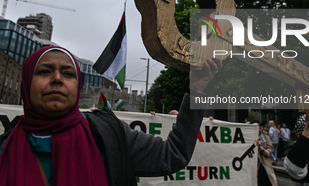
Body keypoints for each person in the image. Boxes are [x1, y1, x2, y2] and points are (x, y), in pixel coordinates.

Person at [0, 46, 223, 186]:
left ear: (78, 86)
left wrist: (197, 92)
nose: (57, 78)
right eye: (45, 71)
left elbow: (172, 155)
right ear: (27, 83)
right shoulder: (4, 148)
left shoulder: (108, 133)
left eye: (68, 74)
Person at [255, 121, 278, 186]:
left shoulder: (265, 137)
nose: (260, 127)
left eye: (261, 126)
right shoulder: (249, 138)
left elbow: (268, 153)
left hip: (264, 165)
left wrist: (260, 147)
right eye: (258, 126)